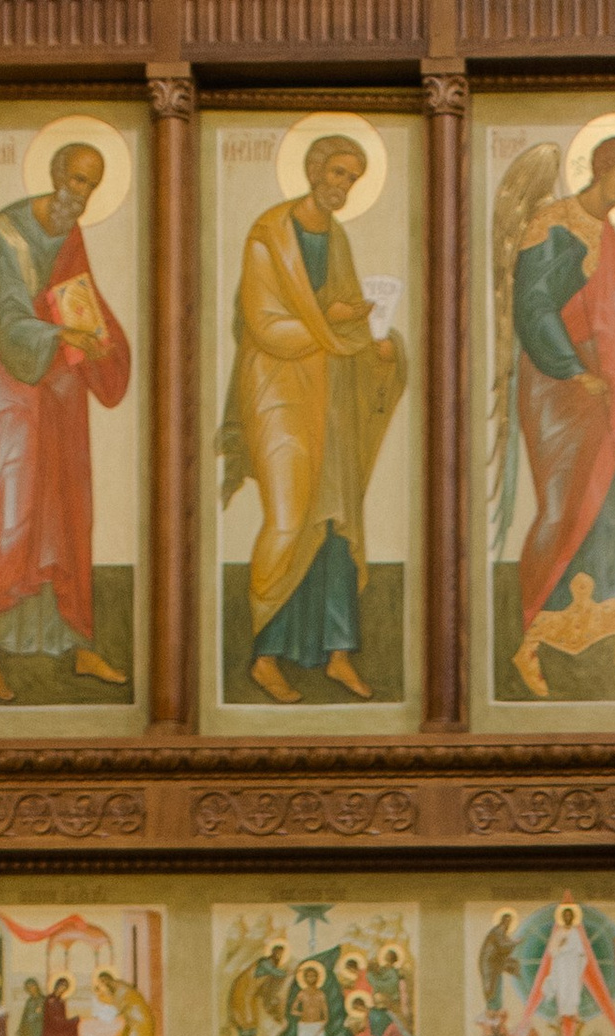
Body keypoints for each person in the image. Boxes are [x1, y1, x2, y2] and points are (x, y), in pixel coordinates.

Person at [222, 132, 405, 707]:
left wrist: (377, 346)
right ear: (313, 169)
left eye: (352, 178)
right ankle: (266, 655)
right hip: (277, 389)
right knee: (289, 516)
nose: (343, 186)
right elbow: (265, 321)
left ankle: (338, 654)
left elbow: (347, 322)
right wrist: (335, 323)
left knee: (334, 520)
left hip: (331, 393)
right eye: (337, 173)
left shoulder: (339, 238)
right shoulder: (269, 235)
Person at [0, 138, 132, 703]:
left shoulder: (69, 232)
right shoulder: (5, 229)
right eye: (77, 180)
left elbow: (76, 298)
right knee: (16, 509)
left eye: (92, 186)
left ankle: (77, 643)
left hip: (56, 382)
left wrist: (101, 342)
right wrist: (61, 336)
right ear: (56, 173)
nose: (81, 195)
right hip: (7, 380)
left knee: (67, 506)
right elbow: (7, 318)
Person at [499, 133, 615, 700]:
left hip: (603, 391)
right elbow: (534, 307)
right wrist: (574, 371)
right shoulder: (554, 224)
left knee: (612, 509)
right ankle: (529, 644)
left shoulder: (609, 235)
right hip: (558, 386)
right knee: (562, 506)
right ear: (600, 170)